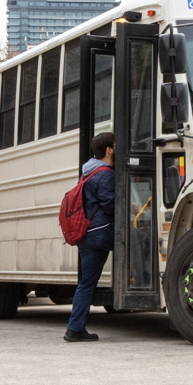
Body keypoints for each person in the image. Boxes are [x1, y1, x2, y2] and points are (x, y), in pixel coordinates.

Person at [64, 132, 116, 342]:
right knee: (142, 240)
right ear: (109, 150)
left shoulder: (87, 173)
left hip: (86, 234)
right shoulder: (105, 174)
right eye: (116, 144)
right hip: (101, 232)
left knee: (86, 283)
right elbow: (110, 206)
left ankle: (74, 329)